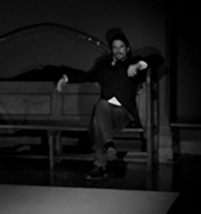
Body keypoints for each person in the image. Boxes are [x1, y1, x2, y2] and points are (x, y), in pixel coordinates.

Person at [56, 32, 163, 180]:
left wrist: (138, 65)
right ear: (111, 50)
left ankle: (101, 163)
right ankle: (107, 150)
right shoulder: (103, 66)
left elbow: (158, 59)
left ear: (127, 49)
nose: (118, 50)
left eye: (121, 47)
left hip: (123, 114)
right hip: (104, 114)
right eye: (115, 48)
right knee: (101, 106)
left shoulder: (133, 64)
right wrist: (65, 78)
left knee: (99, 114)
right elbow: (87, 76)